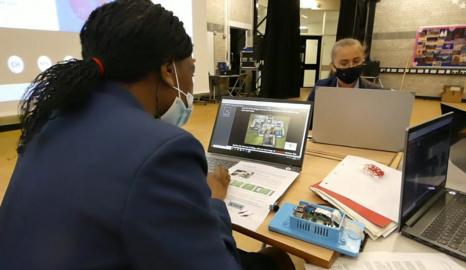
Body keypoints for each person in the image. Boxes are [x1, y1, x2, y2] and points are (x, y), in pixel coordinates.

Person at [0, 1, 293, 269]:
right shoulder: (164, 149)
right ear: (168, 70)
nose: (192, 85)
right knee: (277, 259)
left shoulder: (51, 120)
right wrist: (213, 200)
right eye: (191, 70)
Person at [307, 38, 383, 103]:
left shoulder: (376, 91)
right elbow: (310, 115)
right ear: (333, 66)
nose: (351, 66)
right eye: (344, 63)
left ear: (363, 61)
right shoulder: (321, 86)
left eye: (356, 61)